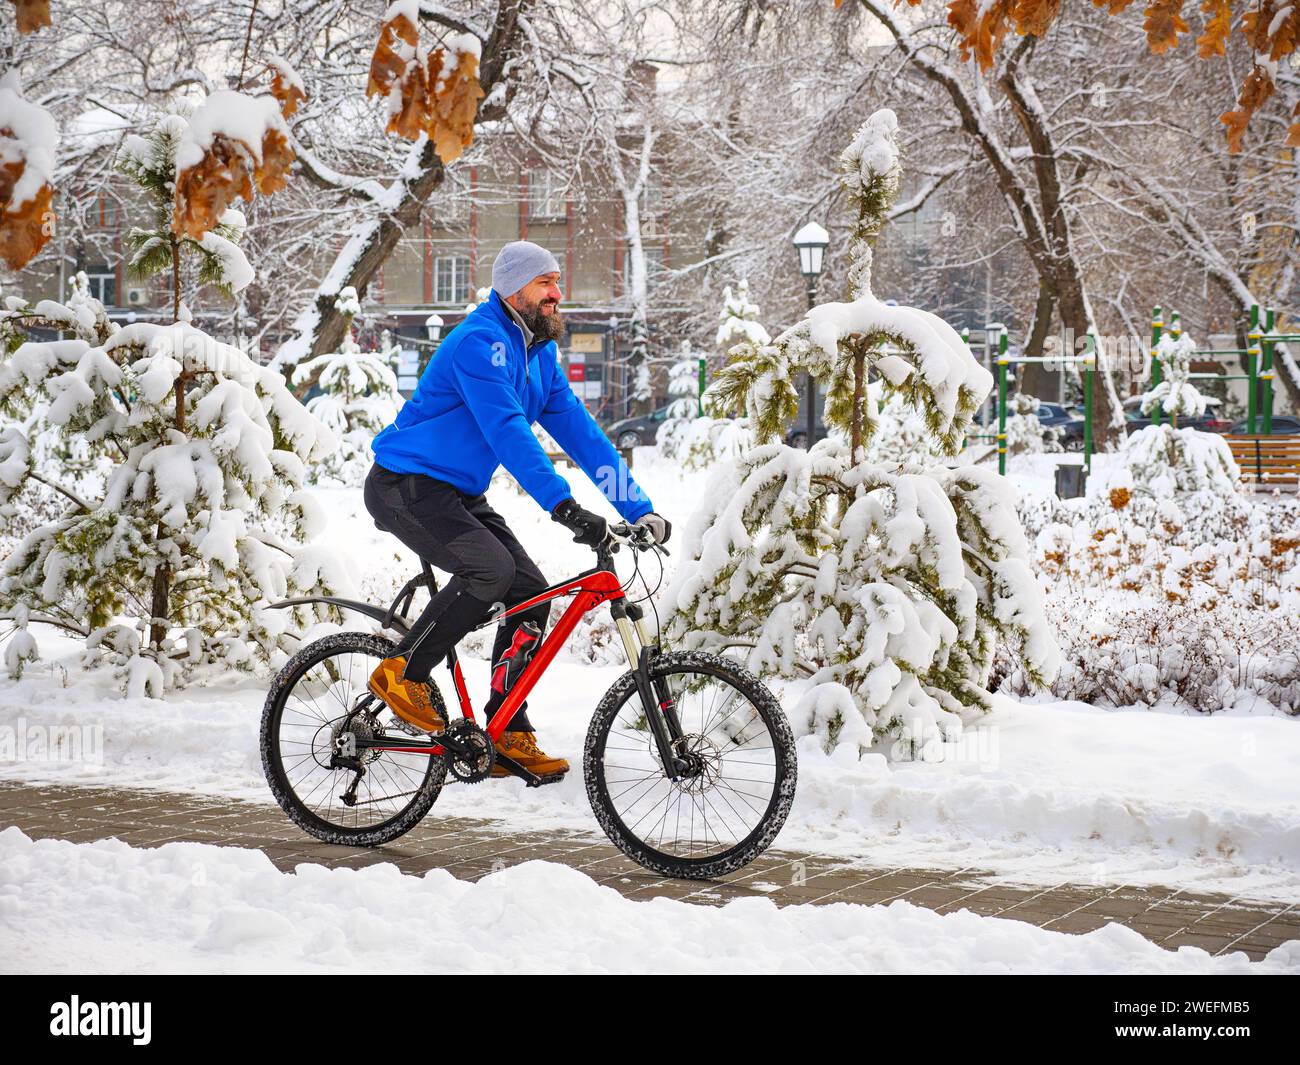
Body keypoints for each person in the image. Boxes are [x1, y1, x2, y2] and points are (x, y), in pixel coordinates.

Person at [363, 240, 670, 779]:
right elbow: (507, 431)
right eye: (545, 283)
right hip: (406, 485)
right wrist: (564, 507)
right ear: (513, 289)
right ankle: (402, 672)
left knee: (529, 590)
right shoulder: (478, 343)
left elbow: (583, 435)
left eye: (557, 282)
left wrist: (639, 506)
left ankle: (507, 730)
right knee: (490, 568)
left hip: (457, 493)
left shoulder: (538, 354)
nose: (557, 293)